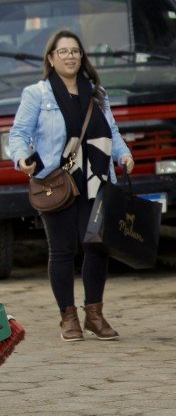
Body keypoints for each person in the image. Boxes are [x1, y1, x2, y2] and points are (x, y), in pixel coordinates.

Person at [8, 30, 135, 342]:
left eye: (75, 51)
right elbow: (18, 133)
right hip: (57, 182)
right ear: (51, 58)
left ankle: (94, 314)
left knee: (96, 246)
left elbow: (113, 130)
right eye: (62, 51)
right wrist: (22, 157)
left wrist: (124, 154)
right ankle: (68, 316)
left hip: (97, 182)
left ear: (82, 58)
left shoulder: (95, 93)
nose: (70, 56)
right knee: (62, 250)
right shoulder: (37, 94)